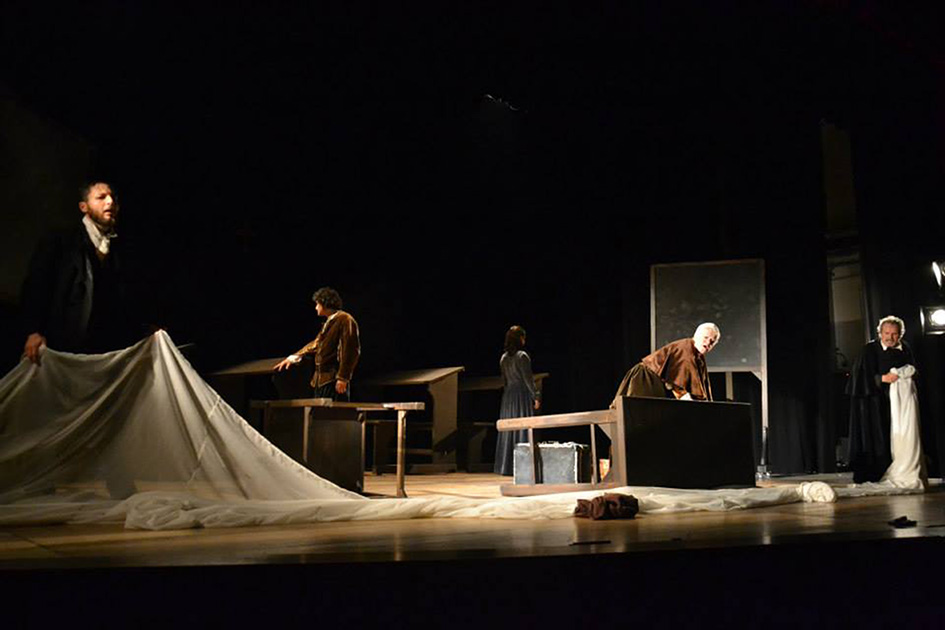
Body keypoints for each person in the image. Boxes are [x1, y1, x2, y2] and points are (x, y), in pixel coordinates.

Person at [20, 181, 135, 365]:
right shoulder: (61, 239)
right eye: (101, 197)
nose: (110, 202)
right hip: (60, 345)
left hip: (101, 351)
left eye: (113, 198)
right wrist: (33, 331)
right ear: (84, 207)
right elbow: (37, 286)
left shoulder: (121, 248)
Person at [847, 315, 926, 486]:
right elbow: (859, 377)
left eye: (894, 334)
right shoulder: (869, 350)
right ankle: (875, 472)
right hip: (876, 404)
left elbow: (915, 371)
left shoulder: (905, 349)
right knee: (878, 437)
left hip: (901, 404)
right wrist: (881, 379)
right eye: (886, 333)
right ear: (880, 333)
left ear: (900, 334)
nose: (890, 337)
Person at [274, 287, 360, 401]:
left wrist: (343, 377)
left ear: (325, 303)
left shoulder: (344, 319)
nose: (316, 308)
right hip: (321, 380)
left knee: (333, 410)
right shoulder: (329, 321)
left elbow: (351, 350)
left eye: (317, 304)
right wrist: (295, 356)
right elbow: (316, 343)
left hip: (333, 379)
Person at [614, 323, 720, 402]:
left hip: (656, 381)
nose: (708, 343)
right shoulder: (686, 348)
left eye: (712, 341)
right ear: (696, 336)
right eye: (706, 338)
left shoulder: (699, 357)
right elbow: (677, 382)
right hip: (646, 378)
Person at [494, 325, 541, 476]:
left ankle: (506, 467)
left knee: (510, 430)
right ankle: (523, 467)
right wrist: (536, 396)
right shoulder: (522, 356)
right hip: (521, 396)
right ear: (520, 339)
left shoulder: (503, 358)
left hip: (508, 397)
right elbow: (528, 380)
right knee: (522, 428)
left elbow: (504, 381)